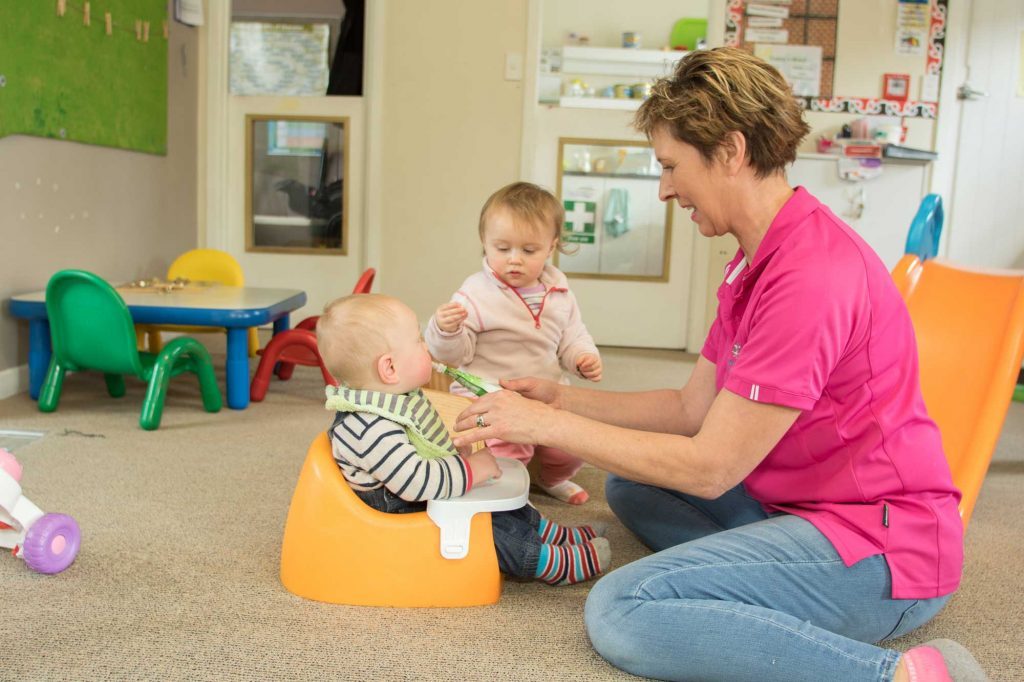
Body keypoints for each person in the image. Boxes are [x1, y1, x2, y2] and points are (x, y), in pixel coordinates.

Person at [450, 48, 986, 681]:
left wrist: (546, 427)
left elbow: (710, 468)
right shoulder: (755, 258)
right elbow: (689, 410)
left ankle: (897, 676)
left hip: (882, 549)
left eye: (671, 165)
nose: (665, 188)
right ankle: (750, 587)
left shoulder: (811, 277)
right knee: (632, 483)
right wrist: (558, 399)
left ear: (730, 151)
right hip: (796, 505)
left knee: (625, 607)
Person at [315, 292, 611, 586]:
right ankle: (545, 562)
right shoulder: (368, 428)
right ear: (390, 368)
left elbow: (416, 451)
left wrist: (457, 457)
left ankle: (547, 533)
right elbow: (417, 482)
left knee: (494, 497)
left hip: (417, 495)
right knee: (484, 525)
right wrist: (471, 470)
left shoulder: (395, 400)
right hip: (400, 514)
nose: (426, 346)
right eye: (418, 340)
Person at [425, 181, 602, 506]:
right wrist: (446, 331)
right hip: (488, 395)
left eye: (529, 251)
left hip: (545, 394)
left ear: (551, 247)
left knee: (571, 447)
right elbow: (453, 355)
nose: (514, 260)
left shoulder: (560, 292)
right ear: (485, 243)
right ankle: (510, 496)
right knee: (507, 452)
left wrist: (582, 357)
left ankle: (550, 479)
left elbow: (573, 336)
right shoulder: (475, 294)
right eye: (503, 249)